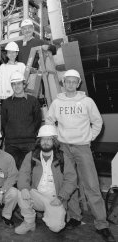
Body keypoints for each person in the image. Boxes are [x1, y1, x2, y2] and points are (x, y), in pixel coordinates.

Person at [46, 69, 116, 242]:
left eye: (73, 81)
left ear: (78, 84)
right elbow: (49, 120)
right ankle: (75, 217)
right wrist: (55, 137)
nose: (70, 84)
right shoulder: (57, 102)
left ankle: (101, 224)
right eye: (67, 81)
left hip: (82, 147)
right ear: (63, 84)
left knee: (91, 185)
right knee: (69, 182)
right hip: (64, 148)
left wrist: (89, 137)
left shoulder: (87, 101)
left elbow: (97, 122)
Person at [15, 125, 77, 234]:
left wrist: (61, 197)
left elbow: (71, 179)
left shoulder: (62, 157)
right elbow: (23, 174)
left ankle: (49, 214)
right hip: (36, 195)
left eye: (49, 139)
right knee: (20, 192)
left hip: (55, 198)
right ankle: (29, 222)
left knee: (56, 227)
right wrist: (24, 188)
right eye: (43, 139)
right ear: (39, 141)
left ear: (54, 141)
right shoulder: (31, 155)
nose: (46, 142)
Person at [1, 71, 42, 170]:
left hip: (29, 143)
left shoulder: (33, 101)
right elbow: (4, 122)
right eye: (14, 84)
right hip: (11, 144)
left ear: (24, 85)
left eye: (19, 83)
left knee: (29, 170)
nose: (16, 86)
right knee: (13, 170)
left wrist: (30, 132)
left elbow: (37, 120)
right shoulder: (6, 103)